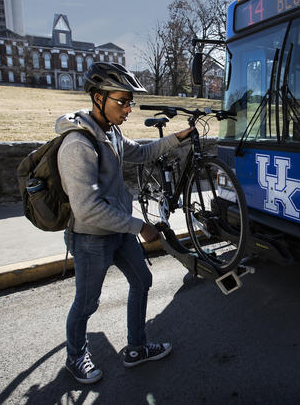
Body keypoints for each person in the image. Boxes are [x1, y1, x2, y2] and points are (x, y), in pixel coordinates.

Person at [56, 62, 194, 384]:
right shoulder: (78, 145)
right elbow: (88, 209)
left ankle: (136, 347)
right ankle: (75, 356)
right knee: (87, 303)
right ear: (97, 99)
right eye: (122, 101)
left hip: (118, 231)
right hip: (91, 237)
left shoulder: (111, 133)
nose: (129, 108)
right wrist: (139, 226)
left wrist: (177, 138)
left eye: (130, 101)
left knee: (142, 280)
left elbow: (143, 153)